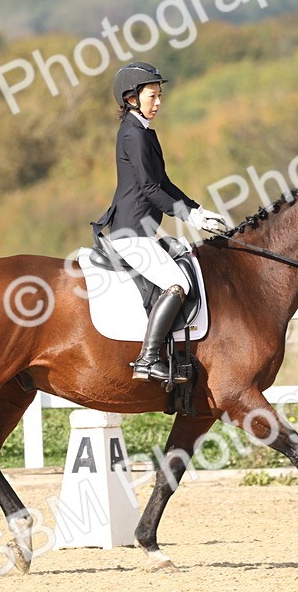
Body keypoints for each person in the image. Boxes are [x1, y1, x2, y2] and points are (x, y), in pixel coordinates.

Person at [93, 62, 229, 382]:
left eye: (159, 96)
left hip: (144, 230)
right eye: (152, 96)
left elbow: (164, 182)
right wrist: (189, 216)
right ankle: (148, 359)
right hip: (132, 232)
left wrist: (198, 209)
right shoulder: (133, 134)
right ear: (131, 98)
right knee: (178, 283)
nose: (158, 102)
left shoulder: (142, 131)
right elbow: (149, 189)